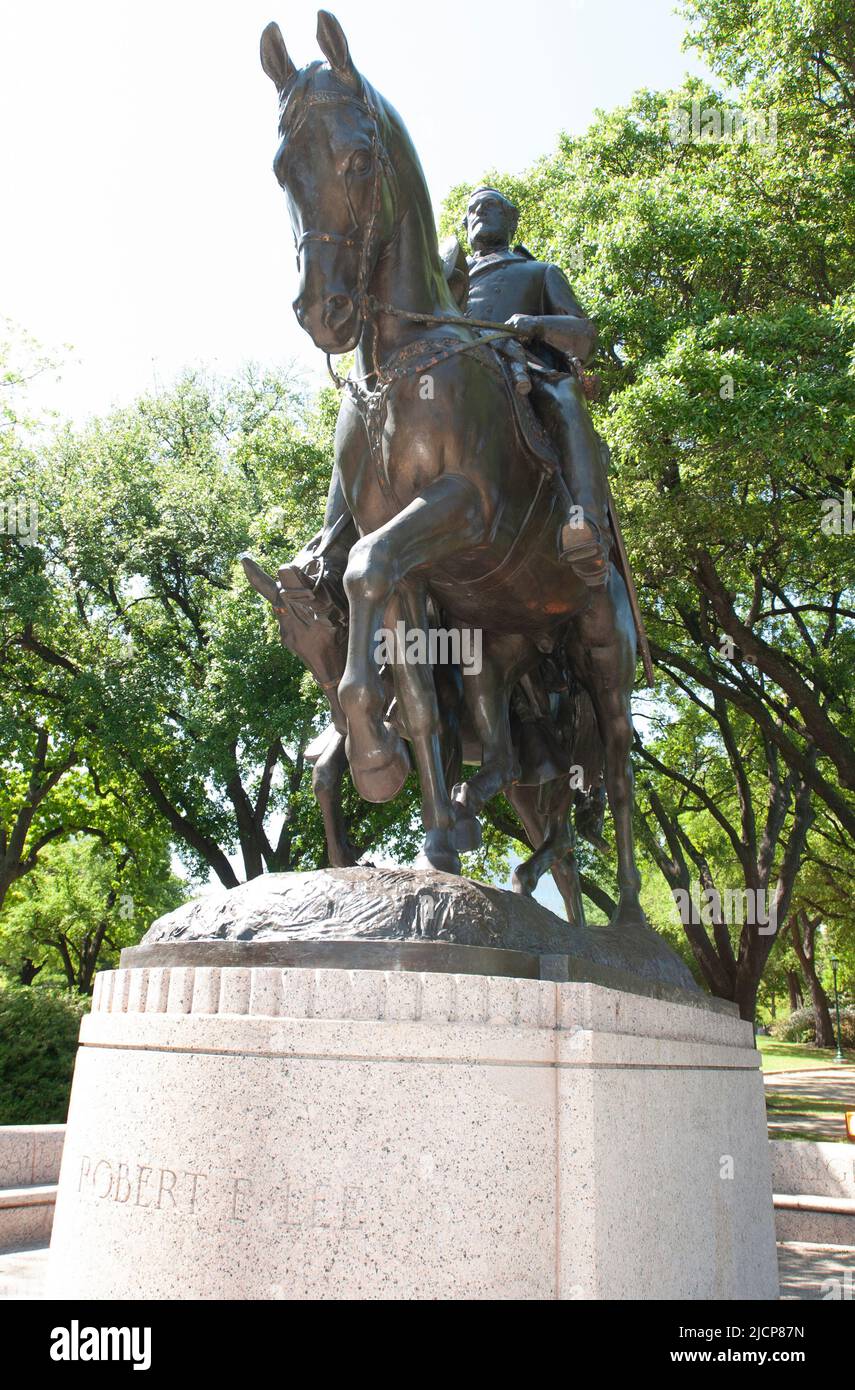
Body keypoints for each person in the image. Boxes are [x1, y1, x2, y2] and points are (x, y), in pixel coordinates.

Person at [462, 186, 611, 585]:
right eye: (472, 210)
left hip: (523, 370)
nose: (479, 213)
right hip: (457, 381)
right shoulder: (446, 285)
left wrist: (536, 324)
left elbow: (585, 336)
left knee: (565, 397)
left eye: (489, 206)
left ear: (511, 221)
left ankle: (587, 526)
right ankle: (334, 549)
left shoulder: (539, 272)